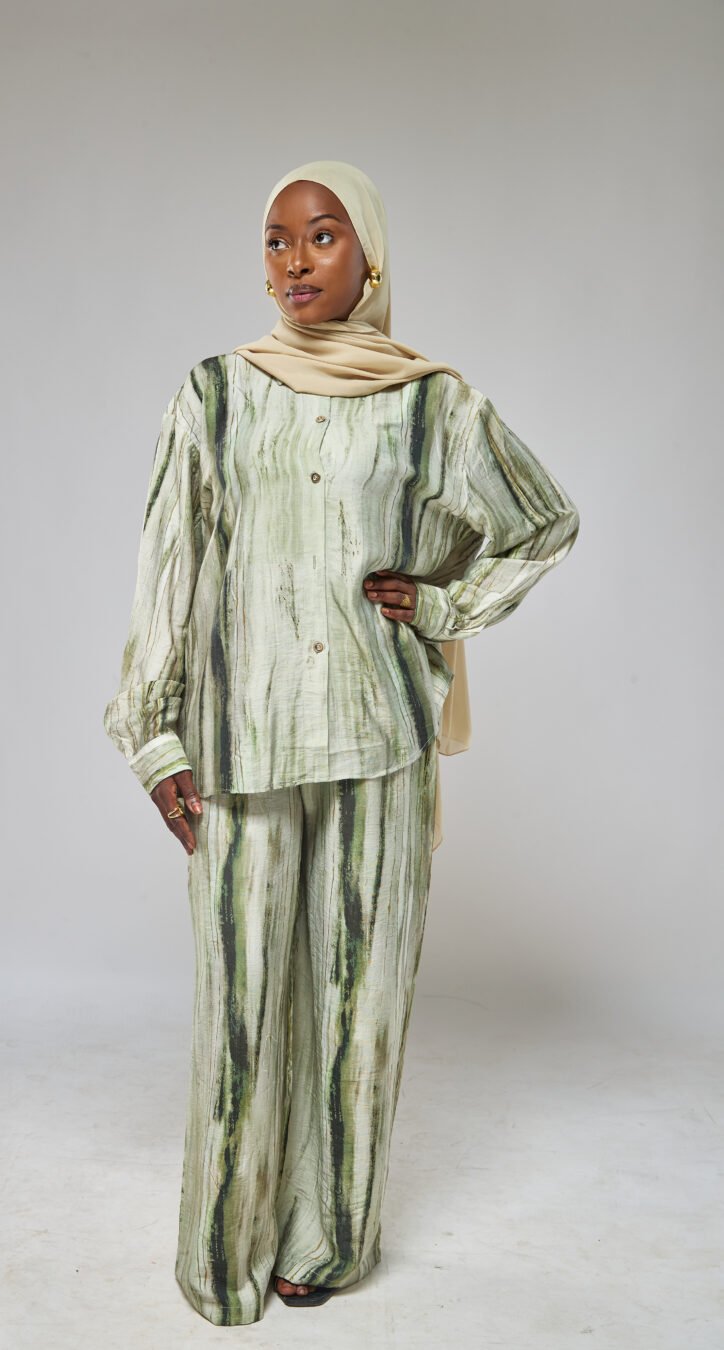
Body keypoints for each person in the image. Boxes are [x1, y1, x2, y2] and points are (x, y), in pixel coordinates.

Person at [102, 159, 580, 1326]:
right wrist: (156, 741)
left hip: (380, 736)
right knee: (240, 1012)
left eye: (320, 236)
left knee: (358, 1006)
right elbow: (169, 570)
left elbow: (542, 520)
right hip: (243, 746)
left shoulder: (432, 404)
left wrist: (447, 603)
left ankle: (328, 1239)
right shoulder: (215, 395)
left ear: (368, 253)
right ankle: (222, 1254)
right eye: (276, 240)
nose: (295, 261)